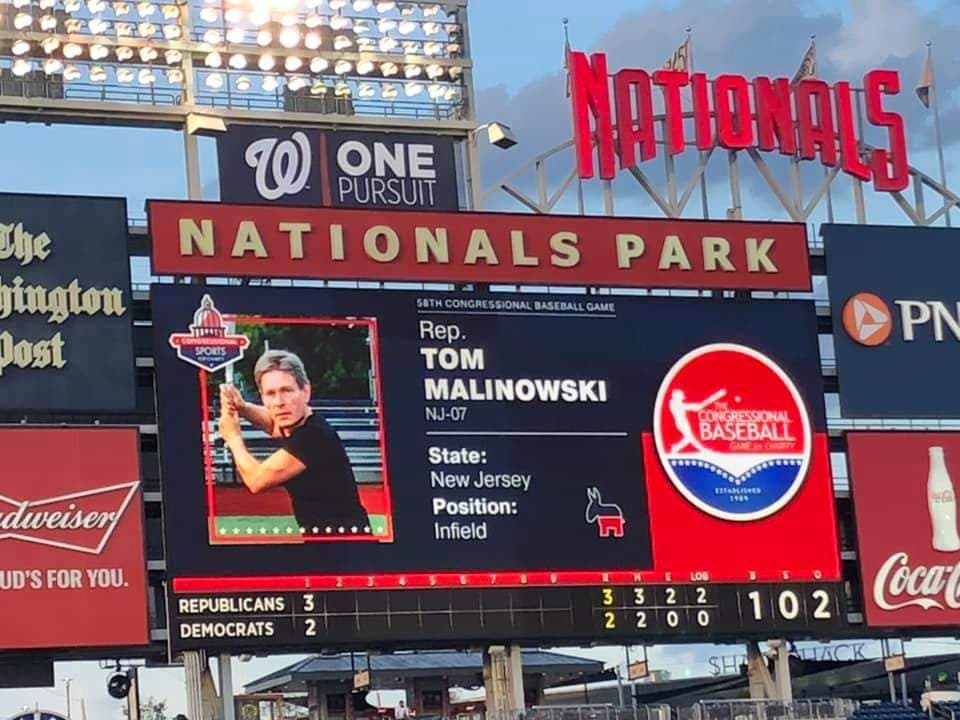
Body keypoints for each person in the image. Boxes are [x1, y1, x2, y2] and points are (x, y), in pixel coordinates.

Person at [218, 349, 370, 535]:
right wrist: (242, 407)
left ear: (305, 391)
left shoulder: (314, 436)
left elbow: (256, 480)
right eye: (270, 394)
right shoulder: (302, 425)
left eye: (286, 391)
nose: (279, 402)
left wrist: (232, 437)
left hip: (345, 552)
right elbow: (274, 424)